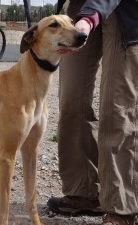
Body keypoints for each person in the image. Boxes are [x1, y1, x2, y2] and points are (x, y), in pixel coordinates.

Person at [47, 0, 138, 224]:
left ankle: (121, 206)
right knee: (71, 102)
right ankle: (84, 191)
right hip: (81, 7)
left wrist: (89, 18)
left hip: (126, 12)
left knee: (117, 108)